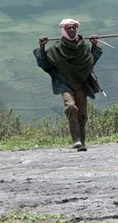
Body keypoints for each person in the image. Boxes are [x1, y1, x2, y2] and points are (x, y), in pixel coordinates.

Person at [34, 18, 102, 151]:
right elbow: (45, 63)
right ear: (63, 30)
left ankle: (81, 143)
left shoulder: (83, 47)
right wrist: (42, 47)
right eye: (68, 28)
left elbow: (90, 62)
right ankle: (75, 139)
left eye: (73, 28)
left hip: (81, 83)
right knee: (70, 106)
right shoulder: (56, 48)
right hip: (64, 83)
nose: (71, 30)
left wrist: (94, 45)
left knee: (82, 114)